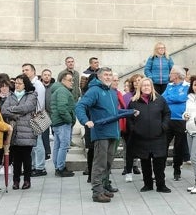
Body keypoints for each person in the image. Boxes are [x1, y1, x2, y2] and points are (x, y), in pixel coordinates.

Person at [75, 67, 126, 203]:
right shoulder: (94, 91)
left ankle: (103, 188)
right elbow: (80, 106)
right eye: (106, 75)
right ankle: (97, 193)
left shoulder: (111, 91)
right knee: (100, 164)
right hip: (101, 133)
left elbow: (115, 113)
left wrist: (131, 111)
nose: (108, 77)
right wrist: (86, 121)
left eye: (110, 75)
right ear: (99, 76)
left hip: (113, 133)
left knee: (108, 163)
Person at [127, 77, 172, 193]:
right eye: (144, 85)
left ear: (152, 87)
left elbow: (167, 114)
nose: (146, 87)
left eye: (148, 85)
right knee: (145, 162)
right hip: (141, 138)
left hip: (158, 137)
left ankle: (161, 185)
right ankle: (147, 184)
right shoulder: (133, 102)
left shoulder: (160, 100)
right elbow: (129, 118)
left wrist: (164, 126)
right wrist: (134, 129)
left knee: (159, 163)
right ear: (140, 88)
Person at [1, 74, 39, 190]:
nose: (17, 85)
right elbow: (3, 110)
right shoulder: (11, 95)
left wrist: (12, 110)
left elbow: (27, 107)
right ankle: (16, 181)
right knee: (16, 159)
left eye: (19, 83)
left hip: (27, 130)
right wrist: (15, 113)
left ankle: (27, 180)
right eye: (16, 83)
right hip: (13, 131)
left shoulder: (31, 94)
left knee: (26, 157)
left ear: (25, 84)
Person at [162, 66, 191, 180]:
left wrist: (172, 98)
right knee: (163, 145)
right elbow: (163, 98)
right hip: (168, 119)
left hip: (181, 120)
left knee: (178, 147)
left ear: (177, 75)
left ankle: (177, 171)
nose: (169, 75)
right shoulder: (169, 86)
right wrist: (174, 98)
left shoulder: (187, 86)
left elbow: (182, 98)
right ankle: (160, 171)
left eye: (171, 73)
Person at [21, 63, 47, 177]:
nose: (24, 72)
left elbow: (40, 103)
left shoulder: (38, 85)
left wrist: (35, 116)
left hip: (36, 116)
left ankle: (40, 167)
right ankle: (32, 166)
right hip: (29, 116)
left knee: (38, 143)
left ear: (33, 72)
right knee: (31, 143)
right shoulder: (29, 84)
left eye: (27, 70)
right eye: (23, 70)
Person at [50, 70, 76, 178]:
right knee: (64, 145)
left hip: (57, 122)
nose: (72, 82)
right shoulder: (62, 91)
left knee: (58, 145)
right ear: (63, 80)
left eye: (72, 80)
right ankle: (60, 168)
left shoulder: (59, 90)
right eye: (70, 80)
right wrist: (69, 120)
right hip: (62, 122)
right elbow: (62, 108)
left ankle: (57, 167)